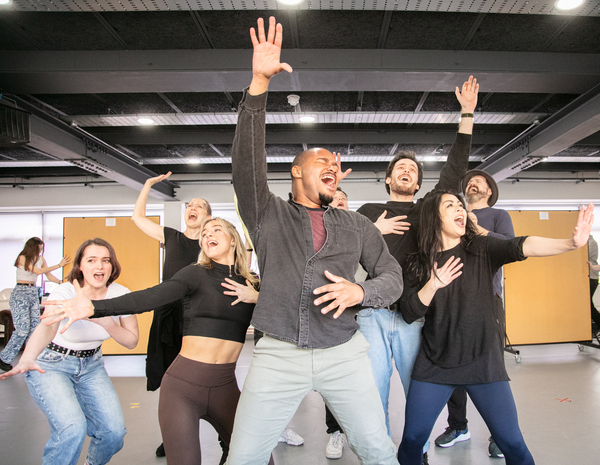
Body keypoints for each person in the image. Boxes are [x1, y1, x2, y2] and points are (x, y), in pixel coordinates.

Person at [225, 17, 403, 465]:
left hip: (344, 352)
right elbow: (246, 165)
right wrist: (258, 86)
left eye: (335, 162)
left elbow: (392, 276)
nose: (331, 164)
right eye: (320, 159)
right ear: (296, 171)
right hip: (278, 353)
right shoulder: (268, 214)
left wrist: (361, 290)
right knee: (244, 455)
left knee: (378, 449)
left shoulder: (356, 224)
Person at [41, 218, 271, 465]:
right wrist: (94, 307)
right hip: (183, 389)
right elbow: (150, 297)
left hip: (225, 387)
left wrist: (257, 297)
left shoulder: (253, 282)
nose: (207, 235)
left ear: (233, 239)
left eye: (216, 230)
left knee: (260, 459)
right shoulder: (195, 274)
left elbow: (286, 312)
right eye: (204, 233)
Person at [396, 190, 594, 465]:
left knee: (511, 442)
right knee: (412, 441)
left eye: (460, 205)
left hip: (483, 362)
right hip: (435, 364)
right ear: (433, 216)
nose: (460, 210)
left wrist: (571, 243)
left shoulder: (480, 248)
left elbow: (522, 245)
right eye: (450, 205)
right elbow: (407, 313)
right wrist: (433, 284)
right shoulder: (417, 261)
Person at [355, 72, 477, 464]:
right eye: (400, 167)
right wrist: (375, 229)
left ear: (418, 182)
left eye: (413, 168)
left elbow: (454, 171)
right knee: (372, 394)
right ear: (389, 178)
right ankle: (377, 457)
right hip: (372, 315)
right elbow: (338, 249)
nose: (407, 170)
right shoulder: (368, 213)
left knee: (418, 394)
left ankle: (416, 455)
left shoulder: (427, 210)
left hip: (412, 316)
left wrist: (467, 117)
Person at [0, 238, 139, 465]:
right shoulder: (65, 291)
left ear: (112, 266)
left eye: (106, 260)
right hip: (51, 364)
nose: (99, 266)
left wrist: (106, 322)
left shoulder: (121, 294)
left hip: (92, 366)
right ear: (80, 266)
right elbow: (47, 328)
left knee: (113, 434)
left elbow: (132, 341)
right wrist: (27, 357)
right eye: (91, 260)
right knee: (72, 429)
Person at [434, 169, 515, 459]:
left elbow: (508, 245)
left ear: (490, 191)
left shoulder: (498, 215)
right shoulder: (453, 214)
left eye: (480, 180)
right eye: (469, 179)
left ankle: (499, 435)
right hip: (450, 300)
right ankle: (458, 426)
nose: (473, 181)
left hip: (488, 298)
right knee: (453, 365)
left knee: (492, 367)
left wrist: (474, 226)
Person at [131, 172, 212, 458]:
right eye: (190, 204)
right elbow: (137, 219)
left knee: (194, 379)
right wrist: (148, 185)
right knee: (168, 380)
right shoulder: (171, 236)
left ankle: (203, 431)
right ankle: (173, 436)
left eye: (200, 206)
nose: (193, 208)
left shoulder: (211, 245)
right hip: (168, 314)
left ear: (208, 217)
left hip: (197, 317)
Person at [0, 237, 69, 372]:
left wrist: (62, 283)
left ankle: (30, 360)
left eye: (42, 249)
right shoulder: (22, 258)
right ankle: (4, 358)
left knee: (34, 329)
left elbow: (48, 276)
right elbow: (36, 272)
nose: (41, 251)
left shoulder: (41, 260)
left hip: (33, 292)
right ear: (32, 247)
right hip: (20, 292)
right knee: (22, 330)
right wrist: (59, 265)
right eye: (39, 249)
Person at [588, 236, 600, 337]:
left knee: (588, 305)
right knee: (587, 305)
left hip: (591, 277)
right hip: (590, 276)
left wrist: (592, 267)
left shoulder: (591, 243)